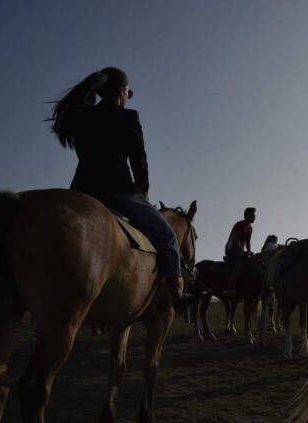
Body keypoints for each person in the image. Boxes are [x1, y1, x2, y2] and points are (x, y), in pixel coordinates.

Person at [49, 67, 193, 312]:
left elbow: (74, 107)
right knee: (168, 236)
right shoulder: (129, 117)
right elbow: (139, 159)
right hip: (118, 190)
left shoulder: (82, 114)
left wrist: (93, 82)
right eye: (129, 91)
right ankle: (178, 295)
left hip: (82, 191)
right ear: (121, 91)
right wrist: (143, 191)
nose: (129, 96)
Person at [223, 207, 256, 295]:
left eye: (254, 215)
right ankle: (229, 286)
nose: (254, 217)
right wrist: (243, 251)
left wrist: (249, 251)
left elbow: (248, 242)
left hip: (240, 251)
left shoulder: (250, 228)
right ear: (246, 216)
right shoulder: (239, 225)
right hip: (231, 250)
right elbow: (235, 240)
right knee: (240, 262)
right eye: (252, 215)